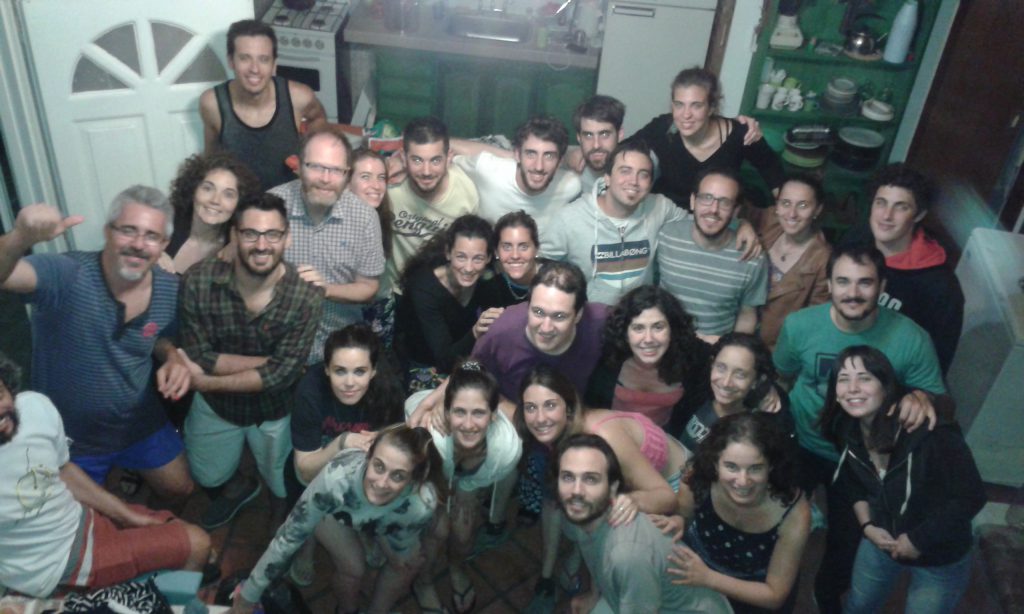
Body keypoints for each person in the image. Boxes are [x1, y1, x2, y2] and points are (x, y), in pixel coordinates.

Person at [772, 244, 947, 614]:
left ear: (882, 286)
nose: (852, 292)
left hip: (864, 458)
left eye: (865, 282)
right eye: (843, 281)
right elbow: (782, 378)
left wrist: (922, 398)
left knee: (848, 539)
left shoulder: (911, 338)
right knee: (777, 522)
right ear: (829, 284)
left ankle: (826, 595)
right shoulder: (799, 325)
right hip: (802, 443)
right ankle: (775, 594)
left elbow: (940, 399)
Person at [0, 188, 194, 501]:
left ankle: (128, 471)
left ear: (163, 245)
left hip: (137, 420)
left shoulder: (171, 291)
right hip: (72, 434)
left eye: (151, 236)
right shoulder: (67, 274)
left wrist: (172, 356)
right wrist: (20, 237)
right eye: (128, 230)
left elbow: (159, 335)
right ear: (107, 231)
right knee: (87, 516)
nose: (138, 244)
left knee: (181, 488)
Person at [0, 352, 211, 598]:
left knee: (183, 535)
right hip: (54, 567)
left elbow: (64, 470)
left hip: (80, 520)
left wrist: (130, 517)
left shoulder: (34, 408)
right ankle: (169, 605)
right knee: (198, 544)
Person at [178, 193, 323, 530]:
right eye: (250, 234)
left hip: (275, 408)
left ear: (287, 238)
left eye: (272, 234)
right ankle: (239, 488)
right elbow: (198, 354)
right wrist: (271, 364)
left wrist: (206, 380)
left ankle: (278, 510)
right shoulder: (198, 281)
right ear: (234, 235)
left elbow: (283, 375)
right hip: (216, 405)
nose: (261, 245)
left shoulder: (306, 296)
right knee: (205, 475)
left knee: (283, 481)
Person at [819, 346, 984, 614]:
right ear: (835, 392)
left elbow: (972, 496)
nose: (852, 388)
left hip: (939, 554)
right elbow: (853, 482)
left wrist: (918, 540)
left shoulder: (931, 432)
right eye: (843, 379)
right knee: (858, 606)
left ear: (886, 387)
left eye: (864, 378)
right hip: (880, 540)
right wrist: (868, 526)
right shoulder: (845, 427)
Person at [228, 424, 446, 614]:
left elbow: (404, 547)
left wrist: (400, 553)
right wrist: (249, 595)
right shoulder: (336, 478)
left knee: (406, 564)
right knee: (353, 568)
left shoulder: (421, 503)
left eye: (398, 475)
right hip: (336, 511)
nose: (381, 483)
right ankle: (346, 610)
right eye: (378, 466)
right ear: (368, 456)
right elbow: (288, 538)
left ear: (413, 480)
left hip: (388, 517)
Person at [516, 364, 683, 609]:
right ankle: (566, 577)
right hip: (627, 480)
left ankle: (602, 588)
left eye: (550, 405)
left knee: (616, 531)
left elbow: (667, 497)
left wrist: (634, 500)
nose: (540, 418)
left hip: (675, 483)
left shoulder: (603, 437)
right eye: (531, 408)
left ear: (569, 407)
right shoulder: (557, 431)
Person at [283, 323, 405, 586]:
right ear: (327, 369)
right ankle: (307, 545)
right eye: (340, 371)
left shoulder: (389, 390)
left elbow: (395, 446)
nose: (349, 383)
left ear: (373, 371)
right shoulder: (311, 390)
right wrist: (342, 443)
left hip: (362, 474)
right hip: (315, 476)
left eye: (360, 371)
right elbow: (304, 470)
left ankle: (360, 528)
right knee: (351, 563)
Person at [556, 433, 733, 613]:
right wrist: (593, 594)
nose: (576, 491)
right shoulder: (584, 512)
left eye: (591, 479)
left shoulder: (627, 554)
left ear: (612, 488)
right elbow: (597, 555)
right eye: (568, 477)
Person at [663, 413, 810, 614]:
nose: (743, 481)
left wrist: (708, 578)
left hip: (752, 597)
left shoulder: (794, 514)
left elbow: (774, 595)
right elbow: (684, 515)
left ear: (771, 466)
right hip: (696, 576)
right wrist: (678, 521)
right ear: (715, 463)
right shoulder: (697, 476)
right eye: (731, 467)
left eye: (755, 468)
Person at [405, 362, 522, 614]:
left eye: (478, 413)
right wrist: (440, 506)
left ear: (493, 414)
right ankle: (423, 582)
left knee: (464, 530)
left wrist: (468, 491)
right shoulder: (429, 438)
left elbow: (474, 365)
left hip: (466, 468)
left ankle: (457, 566)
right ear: (446, 412)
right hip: (427, 466)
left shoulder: (507, 448)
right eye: (459, 412)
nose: (468, 424)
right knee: (437, 530)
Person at [270, 127, 385, 364]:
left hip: (340, 347)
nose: (325, 178)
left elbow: (369, 287)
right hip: (277, 345)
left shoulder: (364, 217)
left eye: (336, 170)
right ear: (299, 166)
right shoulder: (272, 206)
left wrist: (326, 289)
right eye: (315, 167)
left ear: (347, 174)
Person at [840, 163, 964, 373]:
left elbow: (935, 362)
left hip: (885, 379)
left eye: (901, 207)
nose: (886, 215)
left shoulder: (941, 287)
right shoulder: (854, 240)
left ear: (918, 215)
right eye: (881, 203)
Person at [542, 139, 684, 306]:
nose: (634, 181)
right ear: (607, 178)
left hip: (638, 316)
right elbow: (540, 265)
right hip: (589, 316)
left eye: (643, 174)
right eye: (625, 171)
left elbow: (695, 226)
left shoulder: (660, 207)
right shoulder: (570, 218)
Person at [199, 19, 326, 190]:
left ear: (274, 64)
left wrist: (310, 156)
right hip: (241, 201)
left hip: (289, 200)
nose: (255, 69)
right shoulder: (212, 103)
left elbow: (318, 118)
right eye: (245, 58)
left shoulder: (298, 96)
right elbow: (211, 158)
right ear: (231, 61)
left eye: (264, 59)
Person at [632, 67, 784, 208]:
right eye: (679, 105)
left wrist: (785, 207)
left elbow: (772, 168)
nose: (686, 115)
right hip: (667, 216)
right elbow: (625, 149)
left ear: (711, 108)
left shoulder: (740, 134)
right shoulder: (662, 128)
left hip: (715, 217)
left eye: (696, 105)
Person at [658, 167, 769, 341]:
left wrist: (729, 350)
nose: (713, 209)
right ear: (693, 201)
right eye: (706, 198)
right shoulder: (666, 235)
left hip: (716, 349)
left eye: (725, 202)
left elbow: (747, 314)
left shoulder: (753, 257)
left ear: (735, 210)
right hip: (665, 344)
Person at [586, 285, 710, 429]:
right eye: (638, 328)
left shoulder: (692, 357)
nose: (648, 339)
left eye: (658, 327)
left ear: (672, 329)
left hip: (666, 439)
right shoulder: (607, 357)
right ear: (625, 332)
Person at [395, 214, 494, 390]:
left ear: (488, 258)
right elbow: (445, 360)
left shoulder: (487, 279)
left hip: (466, 359)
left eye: (478, 258)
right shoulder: (424, 288)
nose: (469, 268)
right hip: (427, 365)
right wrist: (476, 331)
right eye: (461, 257)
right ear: (448, 253)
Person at [673, 333, 794, 455]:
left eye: (740, 375)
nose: (726, 382)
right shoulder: (697, 390)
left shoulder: (757, 429)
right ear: (712, 364)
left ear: (756, 381)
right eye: (721, 368)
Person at [748, 174, 831, 350]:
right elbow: (735, 209)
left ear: (817, 210)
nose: (792, 213)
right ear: (777, 206)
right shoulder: (769, 222)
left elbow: (814, 321)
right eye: (786, 203)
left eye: (803, 205)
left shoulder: (823, 260)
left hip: (775, 349)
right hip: (736, 334)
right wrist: (744, 226)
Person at [453, 115, 582, 229]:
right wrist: (506, 154)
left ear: (560, 161)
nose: (539, 166)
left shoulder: (570, 185)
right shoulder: (489, 169)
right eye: (530, 154)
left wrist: (572, 155)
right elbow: (447, 146)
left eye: (549, 156)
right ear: (517, 154)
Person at [164, 151, 260, 274]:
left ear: (239, 203)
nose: (215, 200)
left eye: (228, 195)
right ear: (193, 190)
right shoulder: (166, 224)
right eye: (207, 189)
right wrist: (155, 255)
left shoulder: (236, 245)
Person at [346, 147, 399, 346]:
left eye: (381, 177)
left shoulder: (381, 216)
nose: (376, 185)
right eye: (365, 177)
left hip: (380, 304)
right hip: (345, 308)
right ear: (347, 181)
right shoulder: (334, 221)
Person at [569, 95, 627, 193]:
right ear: (579, 137)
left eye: (604, 134)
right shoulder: (566, 167)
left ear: (620, 134)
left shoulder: (637, 169)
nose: (596, 145)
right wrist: (567, 156)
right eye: (588, 135)